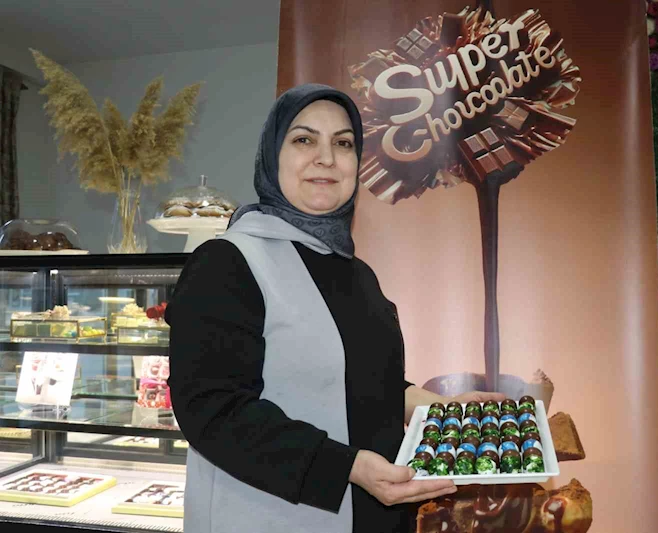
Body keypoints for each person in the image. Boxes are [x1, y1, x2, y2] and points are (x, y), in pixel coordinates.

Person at [166, 83, 504, 533]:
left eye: (343, 144)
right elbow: (211, 409)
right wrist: (348, 466)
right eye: (304, 139)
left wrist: (444, 411)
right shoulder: (226, 263)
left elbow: (366, 383)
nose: (326, 158)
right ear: (272, 156)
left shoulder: (357, 274)